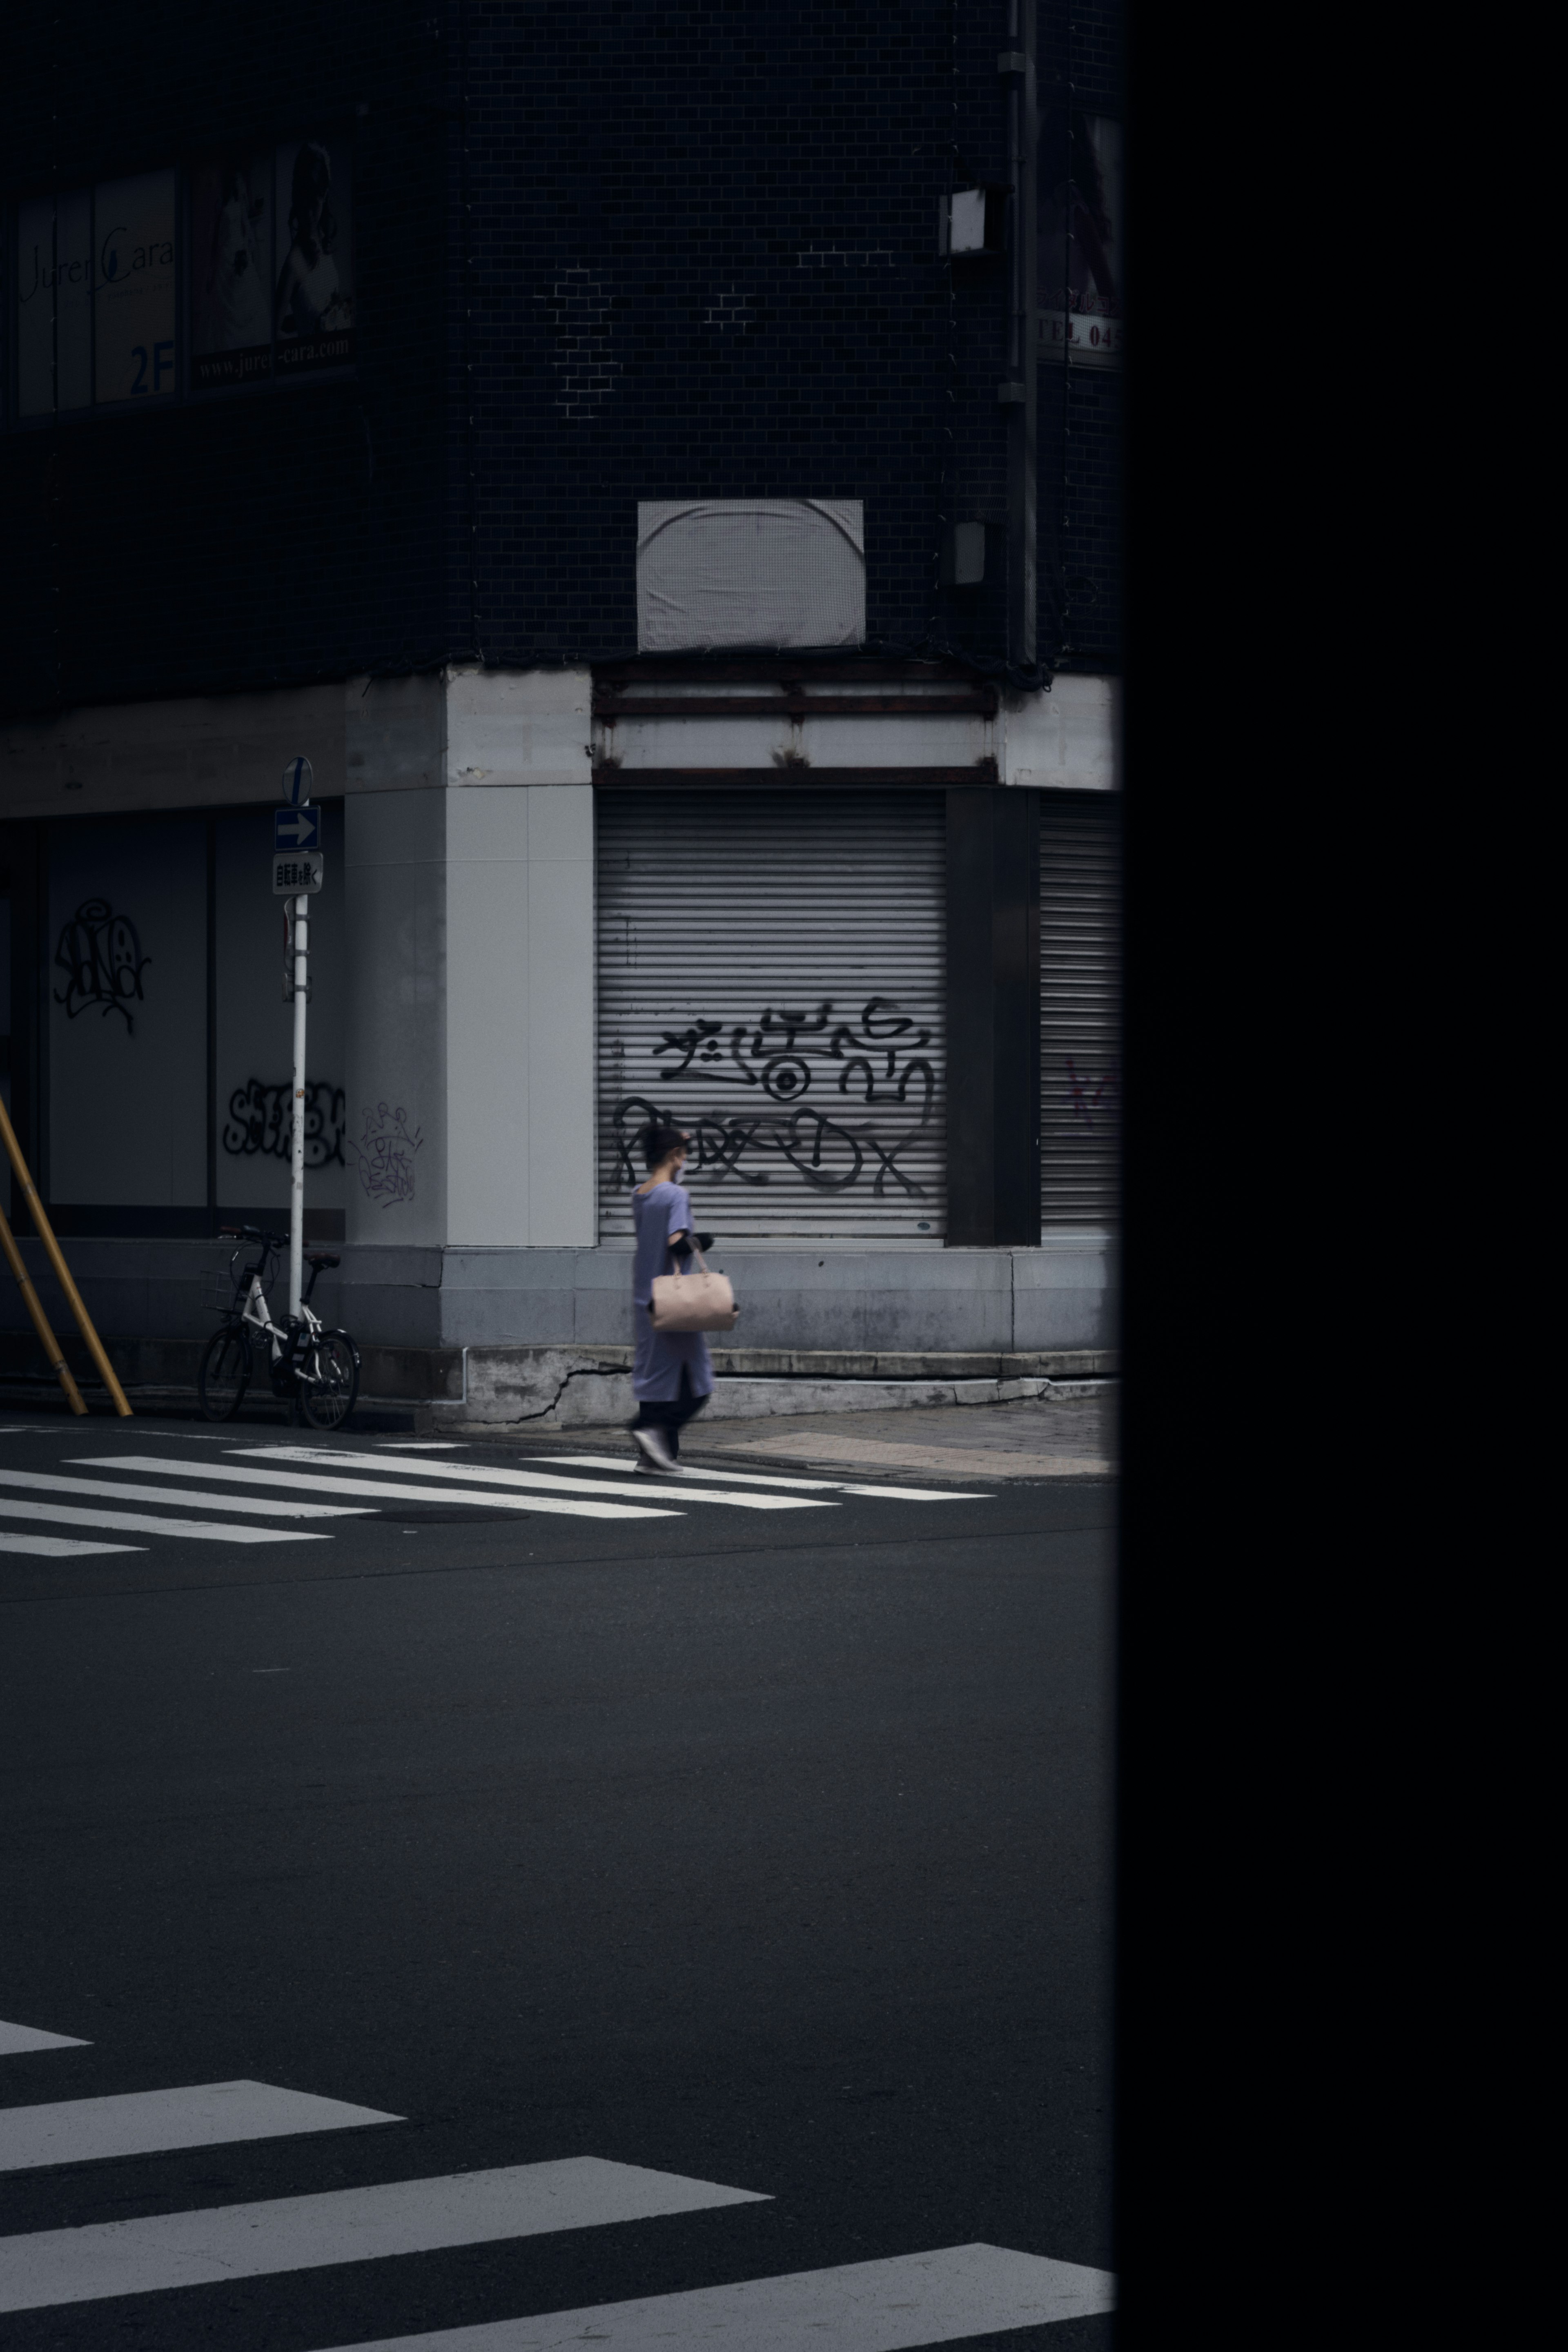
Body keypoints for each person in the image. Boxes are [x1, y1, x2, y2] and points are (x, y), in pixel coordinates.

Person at [628, 1124, 714, 1474]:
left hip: (645, 1295)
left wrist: (680, 1139)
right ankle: (651, 1429)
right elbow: (676, 1243)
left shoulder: (641, 1193)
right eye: (683, 1155)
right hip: (675, 1298)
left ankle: (656, 1456)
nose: (686, 1161)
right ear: (673, 1156)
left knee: (656, 1377)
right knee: (698, 1382)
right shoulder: (675, 1195)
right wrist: (705, 1240)